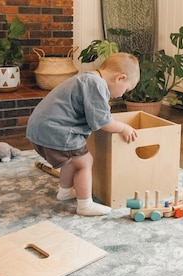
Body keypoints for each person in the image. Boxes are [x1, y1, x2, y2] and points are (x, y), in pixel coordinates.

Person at [26, 52, 140, 216]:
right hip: (57, 130)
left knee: (71, 161)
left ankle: (64, 192)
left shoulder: (88, 78)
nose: (123, 94)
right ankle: (85, 205)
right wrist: (123, 127)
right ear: (120, 78)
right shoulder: (96, 85)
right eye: (126, 89)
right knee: (85, 162)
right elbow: (102, 122)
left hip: (41, 129)